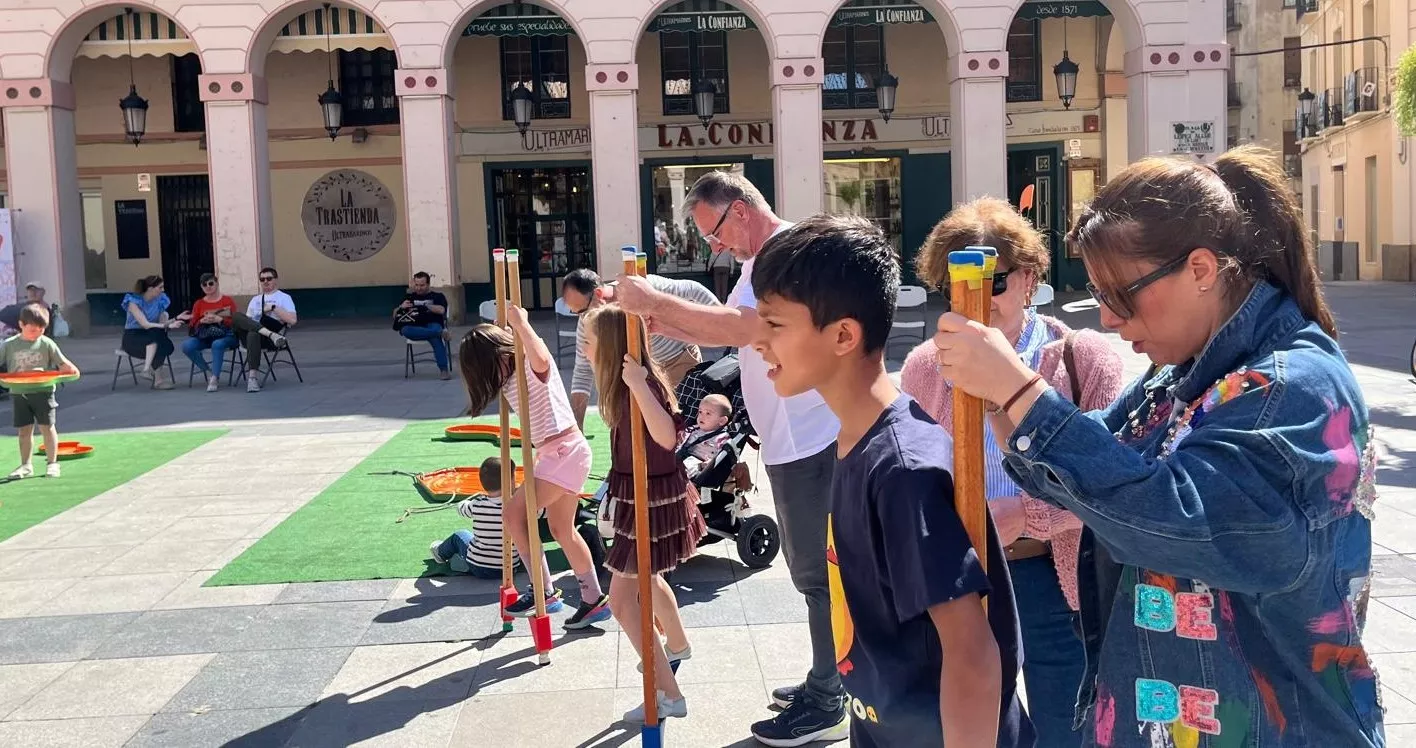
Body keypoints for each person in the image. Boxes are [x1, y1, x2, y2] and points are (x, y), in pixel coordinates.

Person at [933, 146, 1382, 747]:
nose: (1110, 320)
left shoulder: (1290, 389)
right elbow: (1087, 471)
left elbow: (1171, 519)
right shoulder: (1183, 372)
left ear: (1200, 269)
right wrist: (997, 399)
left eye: (1121, 295)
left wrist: (1019, 389)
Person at [750, 214, 1032, 747]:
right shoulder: (855, 440)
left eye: (774, 324)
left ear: (842, 335)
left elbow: (972, 653)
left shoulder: (903, 469)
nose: (758, 342)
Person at [613, 170, 847, 743]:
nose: (713, 245)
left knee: (819, 574)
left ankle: (831, 695)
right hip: (794, 441)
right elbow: (735, 332)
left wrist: (654, 299)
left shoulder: (788, 253)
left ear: (740, 210)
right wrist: (661, 317)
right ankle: (829, 674)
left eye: (713, 232)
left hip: (812, 440)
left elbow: (746, 327)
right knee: (810, 571)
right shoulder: (755, 264)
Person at [899, 198, 1125, 747]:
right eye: (955, 285)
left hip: (1056, 576)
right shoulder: (925, 366)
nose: (975, 301)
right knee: (978, 729)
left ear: (1027, 277)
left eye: (991, 282)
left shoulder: (1082, 357)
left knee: (1066, 730)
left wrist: (1027, 513)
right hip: (966, 578)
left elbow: (1115, 482)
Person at [582, 303, 706, 723]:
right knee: (647, 579)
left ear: (613, 347)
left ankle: (668, 693)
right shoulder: (626, 383)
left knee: (621, 600)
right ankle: (676, 647)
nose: (584, 347)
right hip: (642, 496)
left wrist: (637, 384)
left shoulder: (641, 383)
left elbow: (667, 436)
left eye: (589, 340)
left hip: (649, 500)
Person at [458, 310, 611, 630]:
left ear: (501, 355)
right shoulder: (509, 379)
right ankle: (593, 599)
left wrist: (521, 324)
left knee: (514, 513)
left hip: (564, 452)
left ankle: (544, 589)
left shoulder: (530, 364)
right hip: (559, 453)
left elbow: (542, 356)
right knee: (561, 530)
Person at [561, 268, 719, 430]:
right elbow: (582, 370)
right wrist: (577, 426)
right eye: (576, 313)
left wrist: (723, 323)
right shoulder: (588, 320)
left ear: (599, 294)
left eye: (582, 310)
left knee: (684, 429)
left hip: (678, 364)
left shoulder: (644, 289)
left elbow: (693, 289)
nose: (581, 317)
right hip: (637, 375)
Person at [3, 304, 79, 479]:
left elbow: (62, 363)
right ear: (21, 324)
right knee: (24, 430)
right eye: (32, 330)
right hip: (19, 392)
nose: (37, 333)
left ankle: (52, 463)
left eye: (41, 329)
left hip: (43, 391)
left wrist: (71, 369)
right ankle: (25, 465)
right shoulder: (9, 345)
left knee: (47, 427)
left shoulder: (46, 343)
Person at [429, 457, 521, 580]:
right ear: (511, 481)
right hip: (509, 569)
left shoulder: (478, 503)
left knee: (460, 535)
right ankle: (461, 562)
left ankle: (440, 553)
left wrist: (464, 502)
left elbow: (462, 509)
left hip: (478, 566)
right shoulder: (518, 506)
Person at [232, 267, 297, 393]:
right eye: (262, 279)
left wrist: (273, 308)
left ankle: (252, 378)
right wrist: (261, 311)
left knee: (253, 334)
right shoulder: (255, 300)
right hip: (258, 334)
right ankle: (271, 335)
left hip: (267, 340)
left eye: (269, 278)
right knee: (236, 316)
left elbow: (292, 320)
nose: (265, 281)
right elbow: (248, 321)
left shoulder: (284, 298)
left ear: (275, 280)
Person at [121, 275, 185, 390]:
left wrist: (176, 318)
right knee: (156, 340)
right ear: (150, 288)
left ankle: (150, 372)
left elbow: (162, 323)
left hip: (151, 334)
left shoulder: (160, 300)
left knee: (163, 341)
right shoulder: (134, 301)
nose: (162, 290)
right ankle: (152, 374)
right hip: (133, 337)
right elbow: (145, 324)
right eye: (160, 287)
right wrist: (166, 325)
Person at [182, 273, 240, 393]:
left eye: (211, 283)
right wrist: (202, 321)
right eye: (204, 285)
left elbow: (237, 322)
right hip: (205, 335)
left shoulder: (227, 300)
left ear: (217, 284)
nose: (208, 287)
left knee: (217, 344)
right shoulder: (199, 303)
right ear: (201, 287)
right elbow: (192, 325)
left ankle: (214, 378)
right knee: (187, 346)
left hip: (226, 335)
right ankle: (209, 371)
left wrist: (220, 320)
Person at [395, 271, 453, 380]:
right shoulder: (409, 297)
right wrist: (401, 307)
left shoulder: (438, 296)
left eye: (422, 285)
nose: (419, 288)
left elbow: (441, 310)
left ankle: (444, 370)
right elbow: (394, 315)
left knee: (435, 337)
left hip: (432, 324)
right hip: (414, 325)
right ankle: (441, 333)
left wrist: (426, 306)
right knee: (405, 330)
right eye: (416, 285)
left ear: (428, 284)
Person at [678, 393, 732, 481]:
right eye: (700, 412)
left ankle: (677, 481)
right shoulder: (693, 429)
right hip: (683, 455)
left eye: (708, 413)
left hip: (700, 463)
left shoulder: (722, 437)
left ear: (721, 421)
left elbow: (724, 454)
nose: (701, 416)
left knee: (688, 464)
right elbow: (681, 438)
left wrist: (710, 463)